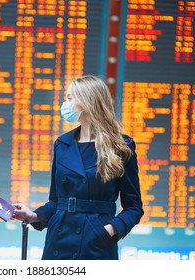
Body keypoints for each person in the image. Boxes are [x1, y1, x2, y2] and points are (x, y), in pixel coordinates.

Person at [12, 75, 144, 260]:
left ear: (87, 101)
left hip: (95, 244)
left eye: (70, 98)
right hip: (58, 240)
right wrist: (33, 215)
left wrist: (110, 230)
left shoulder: (121, 146)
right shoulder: (62, 144)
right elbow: (56, 202)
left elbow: (134, 207)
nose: (65, 103)